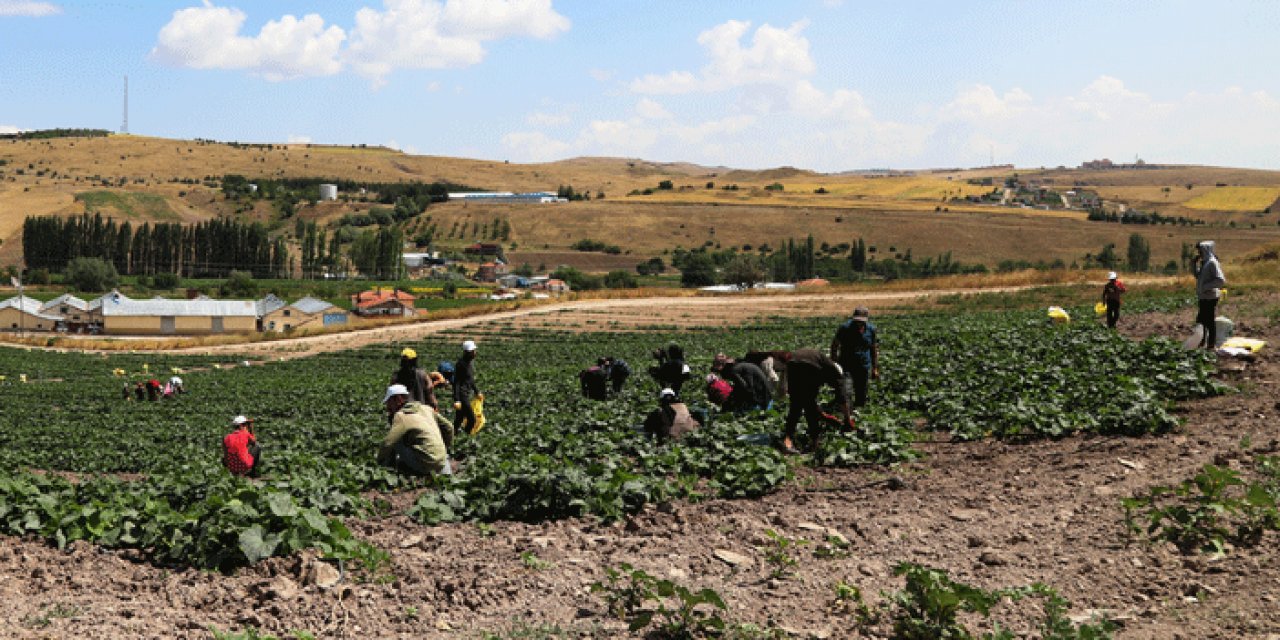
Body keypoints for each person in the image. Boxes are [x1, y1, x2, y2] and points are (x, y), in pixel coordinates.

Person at [782, 349, 853, 454]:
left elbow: (807, 400)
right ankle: (814, 444)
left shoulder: (824, 363)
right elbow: (842, 398)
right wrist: (847, 420)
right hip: (809, 365)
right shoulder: (835, 374)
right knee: (808, 406)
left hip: (792, 362)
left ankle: (787, 442)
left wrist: (824, 416)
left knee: (796, 404)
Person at [377, 384, 454, 476]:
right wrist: (445, 446)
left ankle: (389, 467)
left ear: (397, 399)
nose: (388, 407)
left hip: (426, 466)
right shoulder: (426, 408)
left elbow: (388, 443)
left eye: (389, 402)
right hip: (442, 462)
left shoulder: (401, 416)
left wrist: (379, 461)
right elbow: (449, 427)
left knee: (396, 440)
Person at [830, 307, 879, 407]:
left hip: (863, 365)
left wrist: (875, 368)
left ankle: (859, 411)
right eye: (857, 321)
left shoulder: (871, 329)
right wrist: (834, 363)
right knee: (846, 390)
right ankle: (844, 411)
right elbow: (834, 345)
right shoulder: (845, 328)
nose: (859, 323)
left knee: (861, 392)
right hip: (846, 364)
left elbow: (873, 349)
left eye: (861, 321)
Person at [1192, 240, 1226, 350]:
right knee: (1202, 320)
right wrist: (1193, 265)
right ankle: (1202, 342)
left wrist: (1206, 287)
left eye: (1200, 251)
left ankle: (1210, 345)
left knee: (1207, 320)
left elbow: (1220, 280)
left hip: (1210, 297)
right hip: (1204, 296)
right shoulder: (1205, 263)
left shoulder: (1212, 263)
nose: (1199, 253)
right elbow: (1199, 277)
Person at [452, 340, 481, 435]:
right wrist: (457, 399)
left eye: (474, 351)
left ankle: (452, 435)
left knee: (459, 418)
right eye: (472, 351)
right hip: (462, 395)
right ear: (467, 352)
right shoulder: (461, 364)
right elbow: (456, 382)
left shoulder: (470, 363)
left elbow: (471, 379)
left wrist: (477, 391)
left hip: (466, 394)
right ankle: (466, 436)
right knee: (472, 419)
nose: (474, 353)